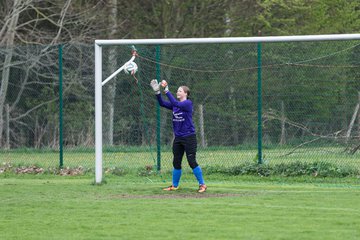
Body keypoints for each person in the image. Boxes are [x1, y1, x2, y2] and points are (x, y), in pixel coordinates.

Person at [150, 79, 207, 193]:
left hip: (189, 137)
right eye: (177, 91)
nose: (178, 92)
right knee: (176, 162)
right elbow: (162, 103)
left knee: (191, 161)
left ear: (186, 94)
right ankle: (174, 185)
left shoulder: (187, 104)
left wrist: (166, 90)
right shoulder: (176, 105)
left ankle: (202, 185)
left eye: (180, 91)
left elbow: (176, 103)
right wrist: (157, 92)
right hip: (178, 138)